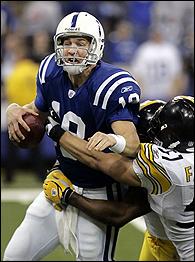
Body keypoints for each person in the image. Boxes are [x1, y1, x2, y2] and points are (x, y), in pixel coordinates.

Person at [4, 12, 141, 261]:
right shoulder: (50, 72)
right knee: (14, 256)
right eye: (67, 43)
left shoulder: (110, 84)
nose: (72, 50)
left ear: (96, 45)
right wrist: (14, 109)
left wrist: (114, 140)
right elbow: (38, 110)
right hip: (61, 179)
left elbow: (132, 145)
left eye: (81, 43)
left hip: (99, 191)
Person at [42, 96, 194, 261]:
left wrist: (67, 196)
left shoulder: (165, 168)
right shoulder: (180, 158)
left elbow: (120, 212)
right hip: (159, 236)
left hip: (176, 247)